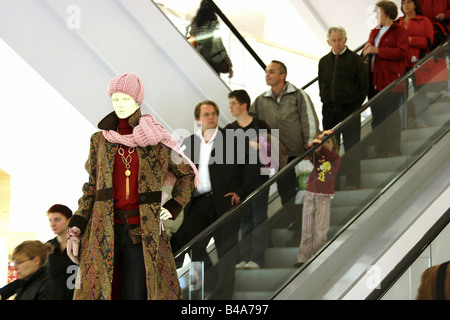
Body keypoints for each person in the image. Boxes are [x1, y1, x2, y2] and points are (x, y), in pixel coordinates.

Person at [66, 73, 197, 300]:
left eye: (126, 99)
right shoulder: (100, 140)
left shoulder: (157, 140)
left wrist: (175, 205)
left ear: (138, 101)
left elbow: (186, 174)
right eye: (115, 99)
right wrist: (76, 226)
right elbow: (91, 188)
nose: (120, 105)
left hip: (142, 231)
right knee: (102, 292)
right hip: (104, 229)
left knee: (137, 292)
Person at [170, 100, 257, 299]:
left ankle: (223, 296)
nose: (211, 117)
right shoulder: (190, 142)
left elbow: (251, 167)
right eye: (206, 114)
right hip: (199, 204)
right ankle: (203, 287)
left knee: (226, 250)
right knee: (192, 245)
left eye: (214, 114)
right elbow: (178, 173)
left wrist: (240, 192)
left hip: (226, 202)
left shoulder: (233, 139)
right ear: (198, 119)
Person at [250, 60, 319, 245]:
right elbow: (251, 125)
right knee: (286, 193)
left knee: (301, 194)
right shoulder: (260, 101)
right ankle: (298, 225)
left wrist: (310, 145)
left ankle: (303, 229)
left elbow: (309, 120)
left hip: (298, 155)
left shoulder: (298, 95)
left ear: (283, 75)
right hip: (276, 158)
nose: (267, 74)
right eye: (266, 71)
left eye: (271, 71)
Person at [224, 89, 271, 270]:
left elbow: (272, 155)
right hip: (240, 181)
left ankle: (257, 258)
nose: (231, 107)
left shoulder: (260, 125)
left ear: (244, 105)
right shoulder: (229, 129)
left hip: (259, 177)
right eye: (230, 104)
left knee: (259, 216)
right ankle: (245, 257)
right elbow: (227, 159)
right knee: (245, 219)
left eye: (233, 103)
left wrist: (261, 146)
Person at [318, 26, 368, 190]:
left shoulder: (356, 60)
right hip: (329, 111)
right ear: (328, 42)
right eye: (334, 40)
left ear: (345, 40)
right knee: (330, 150)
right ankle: (334, 183)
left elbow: (363, 87)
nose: (337, 43)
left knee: (353, 145)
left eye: (340, 39)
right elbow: (322, 85)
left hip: (350, 110)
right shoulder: (324, 62)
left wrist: (355, 107)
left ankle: (353, 181)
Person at [363, 1, 409, 158]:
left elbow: (402, 52)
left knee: (391, 118)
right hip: (373, 80)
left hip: (390, 80)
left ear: (388, 13)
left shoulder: (400, 31)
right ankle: (380, 149)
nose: (376, 15)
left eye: (379, 12)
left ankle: (394, 149)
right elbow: (369, 50)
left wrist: (378, 50)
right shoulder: (374, 32)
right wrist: (366, 52)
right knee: (377, 118)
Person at [296, 130, 341, 266]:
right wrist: (315, 144)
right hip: (310, 195)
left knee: (320, 231)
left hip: (324, 197)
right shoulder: (317, 157)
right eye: (323, 142)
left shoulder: (335, 159)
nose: (325, 145)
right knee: (306, 229)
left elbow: (328, 155)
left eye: (328, 142)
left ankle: (317, 259)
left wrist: (320, 144)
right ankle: (303, 258)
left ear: (334, 144)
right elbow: (308, 153)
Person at [397, 0, 434, 129]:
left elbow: (429, 41)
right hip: (400, 63)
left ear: (415, 5)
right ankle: (401, 125)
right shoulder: (397, 22)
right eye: (403, 3)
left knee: (420, 92)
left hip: (418, 61)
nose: (406, 5)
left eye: (409, 2)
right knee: (400, 96)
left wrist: (410, 40)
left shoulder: (424, 21)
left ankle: (423, 122)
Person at [188, 0, 233, 78]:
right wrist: (228, 62)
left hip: (199, 56)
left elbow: (192, 37)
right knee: (214, 78)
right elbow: (218, 42)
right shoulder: (213, 22)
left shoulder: (195, 22)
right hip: (212, 58)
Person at [46, 204, 77, 300]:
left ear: (69, 220)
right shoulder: (47, 248)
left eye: (57, 220)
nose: (52, 224)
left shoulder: (80, 246)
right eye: (50, 220)